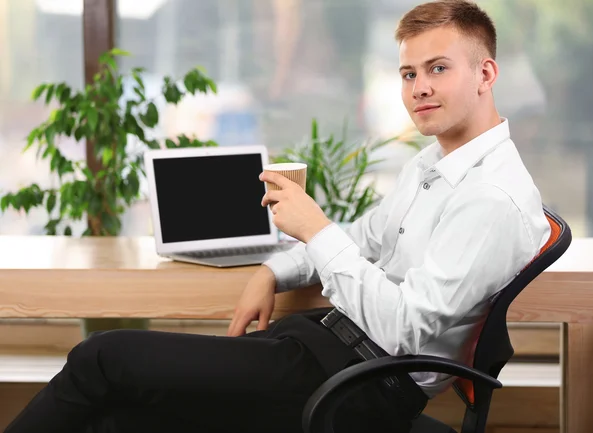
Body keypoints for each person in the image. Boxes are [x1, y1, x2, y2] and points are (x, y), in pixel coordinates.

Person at [5, 1, 551, 432]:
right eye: (408, 73)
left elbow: (406, 329)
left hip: (360, 385)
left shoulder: (490, 199)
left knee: (103, 357)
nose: (419, 88)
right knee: (115, 418)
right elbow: (366, 237)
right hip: (325, 343)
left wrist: (314, 227)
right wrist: (273, 271)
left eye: (438, 69)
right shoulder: (436, 163)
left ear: (486, 73)